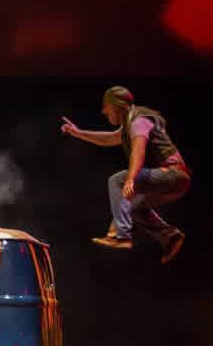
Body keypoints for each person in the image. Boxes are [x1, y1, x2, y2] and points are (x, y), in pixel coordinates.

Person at [61, 86, 191, 264]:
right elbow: (108, 138)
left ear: (116, 105)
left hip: (173, 174)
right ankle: (170, 237)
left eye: (106, 106)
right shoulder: (129, 125)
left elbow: (139, 150)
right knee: (130, 207)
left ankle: (121, 236)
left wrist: (130, 179)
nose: (104, 111)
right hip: (172, 179)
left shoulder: (138, 121)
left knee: (117, 180)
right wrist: (78, 133)